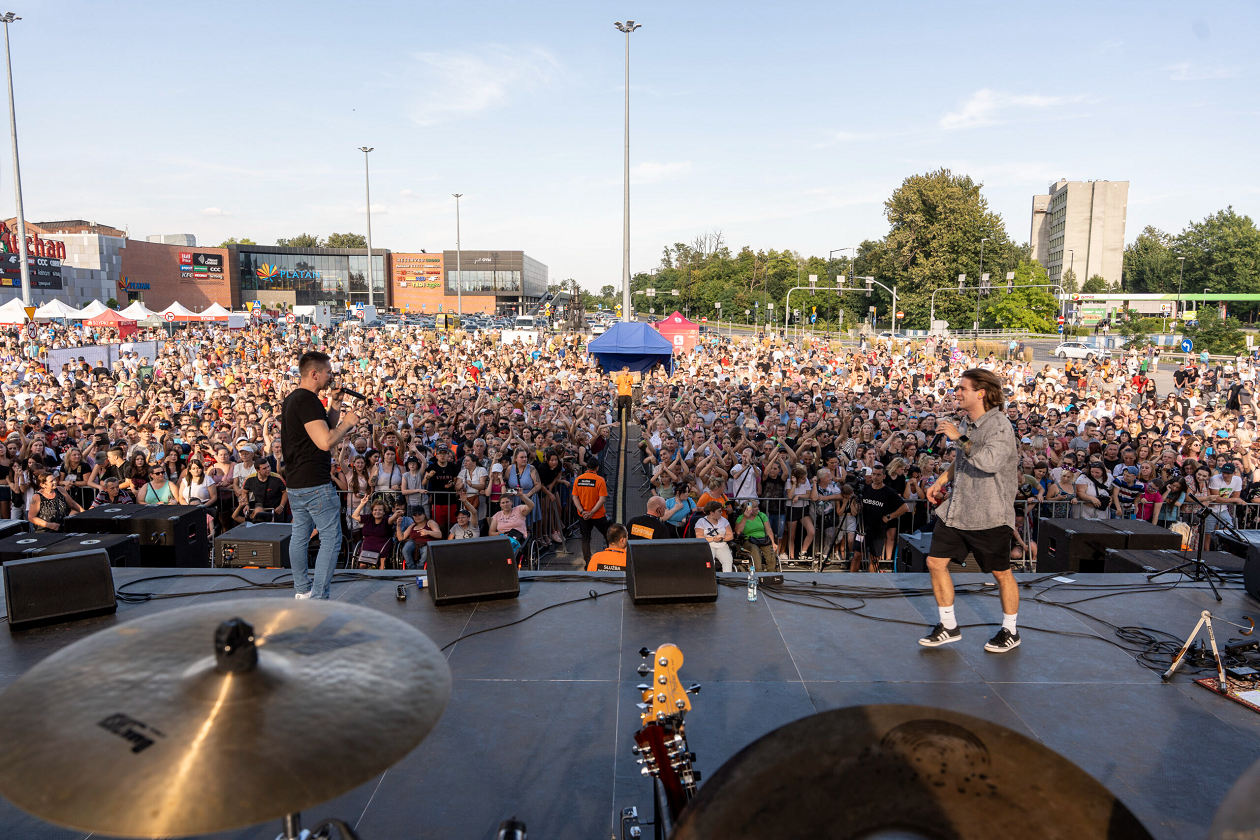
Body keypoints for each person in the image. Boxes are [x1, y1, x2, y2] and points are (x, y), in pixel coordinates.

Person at [920, 368, 1022, 653]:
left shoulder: (1000, 425)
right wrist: (940, 480)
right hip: (958, 510)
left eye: (962, 388)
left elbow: (988, 460)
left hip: (988, 513)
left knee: (1001, 573)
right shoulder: (968, 423)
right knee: (935, 562)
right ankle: (948, 625)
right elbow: (964, 458)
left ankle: (1010, 630)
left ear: (981, 393)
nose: (957, 392)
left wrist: (957, 437)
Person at [282, 351, 357, 600]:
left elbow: (322, 429)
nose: (331, 377)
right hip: (314, 482)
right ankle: (319, 596)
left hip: (297, 483)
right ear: (314, 374)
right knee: (332, 539)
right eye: (328, 372)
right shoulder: (307, 400)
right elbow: (326, 442)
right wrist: (347, 423)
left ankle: (302, 591)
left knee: (300, 536)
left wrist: (334, 405)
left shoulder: (295, 399)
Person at [857, 463, 908, 573]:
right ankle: (849, 580)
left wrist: (889, 517)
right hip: (862, 527)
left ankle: (872, 583)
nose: (875, 477)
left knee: (874, 558)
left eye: (878, 475)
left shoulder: (889, 492)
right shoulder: (865, 489)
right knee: (857, 555)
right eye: (874, 474)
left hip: (878, 529)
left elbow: (905, 507)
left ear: (884, 476)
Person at [572, 456, 610, 562]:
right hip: (598, 515)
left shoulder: (578, 479)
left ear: (587, 466)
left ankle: (587, 561)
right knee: (608, 535)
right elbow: (602, 499)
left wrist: (582, 512)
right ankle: (610, 557)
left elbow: (575, 497)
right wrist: (592, 512)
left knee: (585, 538)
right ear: (597, 468)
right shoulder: (600, 480)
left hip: (583, 516)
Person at [735, 499, 777, 572]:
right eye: (755, 507)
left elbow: (768, 530)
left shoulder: (761, 515)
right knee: (754, 549)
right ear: (748, 508)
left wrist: (773, 542)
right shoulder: (741, 518)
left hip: (762, 539)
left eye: (757, 506)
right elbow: (738, 532)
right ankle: (758, 571)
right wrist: (745, 517)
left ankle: (771, 572)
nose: (757, 509)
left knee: (769, 549)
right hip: (749, 540)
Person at [695, 500, 734, 572]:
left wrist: (721, 539)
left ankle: (726, 579)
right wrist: (713, 538)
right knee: (709, 561)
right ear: (712, 513)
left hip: (722, 544)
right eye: (719, 511)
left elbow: (730, 535)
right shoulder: (701, 521)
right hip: (708, 545)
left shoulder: (724, 520)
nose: (721, 513)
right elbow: (699, 537)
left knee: (728, 560)